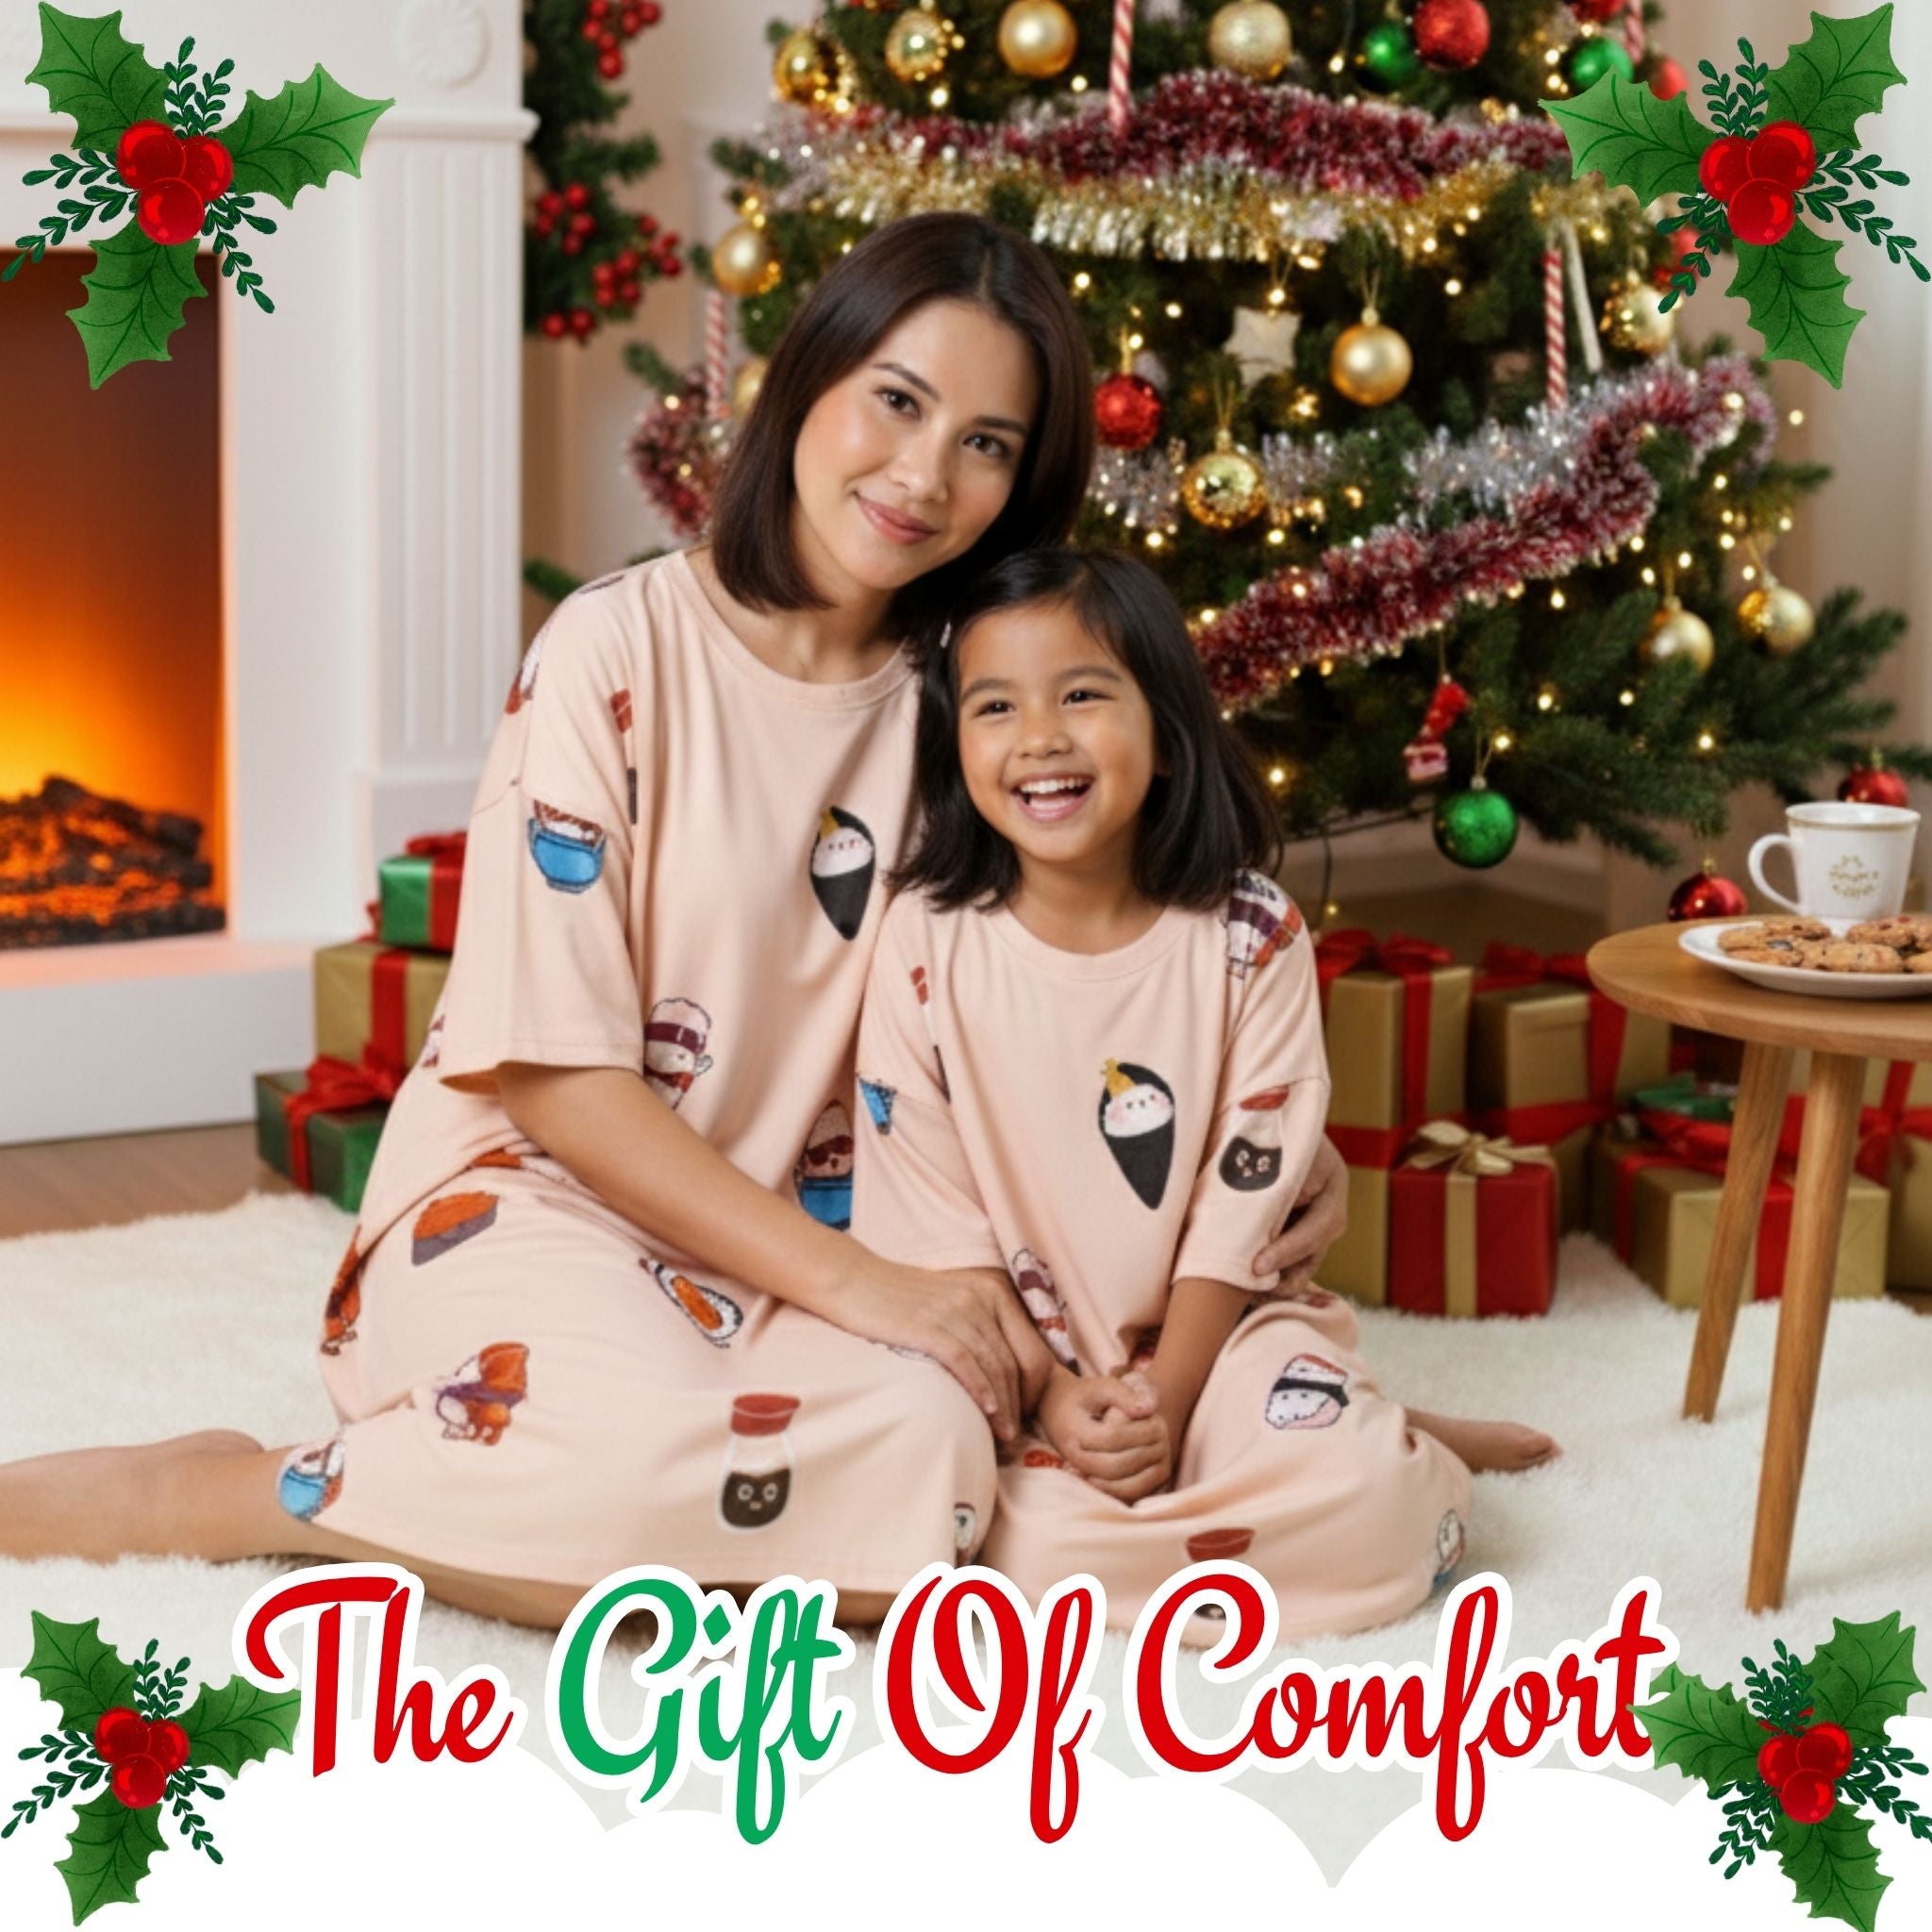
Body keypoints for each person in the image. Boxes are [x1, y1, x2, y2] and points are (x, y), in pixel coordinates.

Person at [0, 214, 1351, 1630]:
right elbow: (552, 1074)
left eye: (988, 443)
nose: (923, 475)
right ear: (808, 383)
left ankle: (547, 1504)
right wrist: (873, 1294)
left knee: (935, 1450)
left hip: (832, 1252)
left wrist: (1246, 1176)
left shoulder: (986, 701)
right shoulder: (614, 650)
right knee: (643, 1457)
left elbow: (1082, 973)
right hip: (534, 1206)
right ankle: (238, 1496)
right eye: (897, 402)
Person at [850, 547, 1557, 1639]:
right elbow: (934, 1216)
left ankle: (1378, 1433)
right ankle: (1357, 1427)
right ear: (956, 745)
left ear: (1168, 731)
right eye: (995, 706)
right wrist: (1047, 1391)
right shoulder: (920, 939)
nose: (1039, 737)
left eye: (1081, 694)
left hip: (1219, 1339)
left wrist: (1169, 1402)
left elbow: (1244, 1200)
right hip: (1017, 1355)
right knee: (1008, 1546)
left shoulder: (1249, 932)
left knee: (1372, 1502)